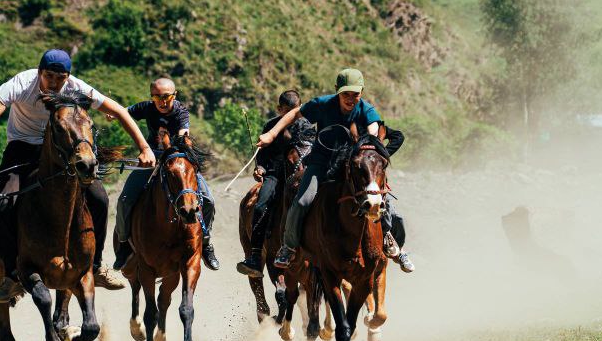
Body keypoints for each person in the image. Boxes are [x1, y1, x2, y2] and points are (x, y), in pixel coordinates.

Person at [0, 48, 155, 302]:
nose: (55, 83)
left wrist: (145, 148)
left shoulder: (75, 88)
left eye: (61, 78)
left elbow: (119, 111)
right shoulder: (21, 84)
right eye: (49, 76)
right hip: (23, 148)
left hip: (62, 149)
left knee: (100, 198)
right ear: (39, 73)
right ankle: (12, 275)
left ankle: (96, 267)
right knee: (2, 202)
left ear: (68, 77)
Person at [257, 68, 415, 273]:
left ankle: (389, 239)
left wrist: (371, 141)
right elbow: (295, 113)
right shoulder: (322, 104)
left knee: (380, 199)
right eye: (345, 94)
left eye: (355, 94)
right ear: (337, 91)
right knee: (302, 201)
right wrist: (271, 133)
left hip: (352, 167)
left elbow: (373, 129)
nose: (350, 99)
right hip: (321, 163)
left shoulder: (366, 111)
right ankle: (288, 247)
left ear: (361, 92)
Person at [112, 76, 220, 272]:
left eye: (166, 97)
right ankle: (124, 245)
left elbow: (183, 133)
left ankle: (205, 242)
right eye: (156, 97)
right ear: (151, 97)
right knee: (124, 200)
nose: (162, 101)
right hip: (151, 157)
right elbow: (124, 112)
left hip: (177, 159)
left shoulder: (181, 111)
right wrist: (113, 114)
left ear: (174, 95)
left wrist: (175, 146)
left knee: (208, 199)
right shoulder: (147, 107)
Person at [236, 89, 305, 278]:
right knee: (260, 205)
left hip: (299, 175)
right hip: (275, 175)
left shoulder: (306, 126)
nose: (291, 114)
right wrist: (261, 169)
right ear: (279, 109)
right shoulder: (270, 125)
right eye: (286, 110)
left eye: (295, 109)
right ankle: (256, 255)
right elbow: (263, 157)